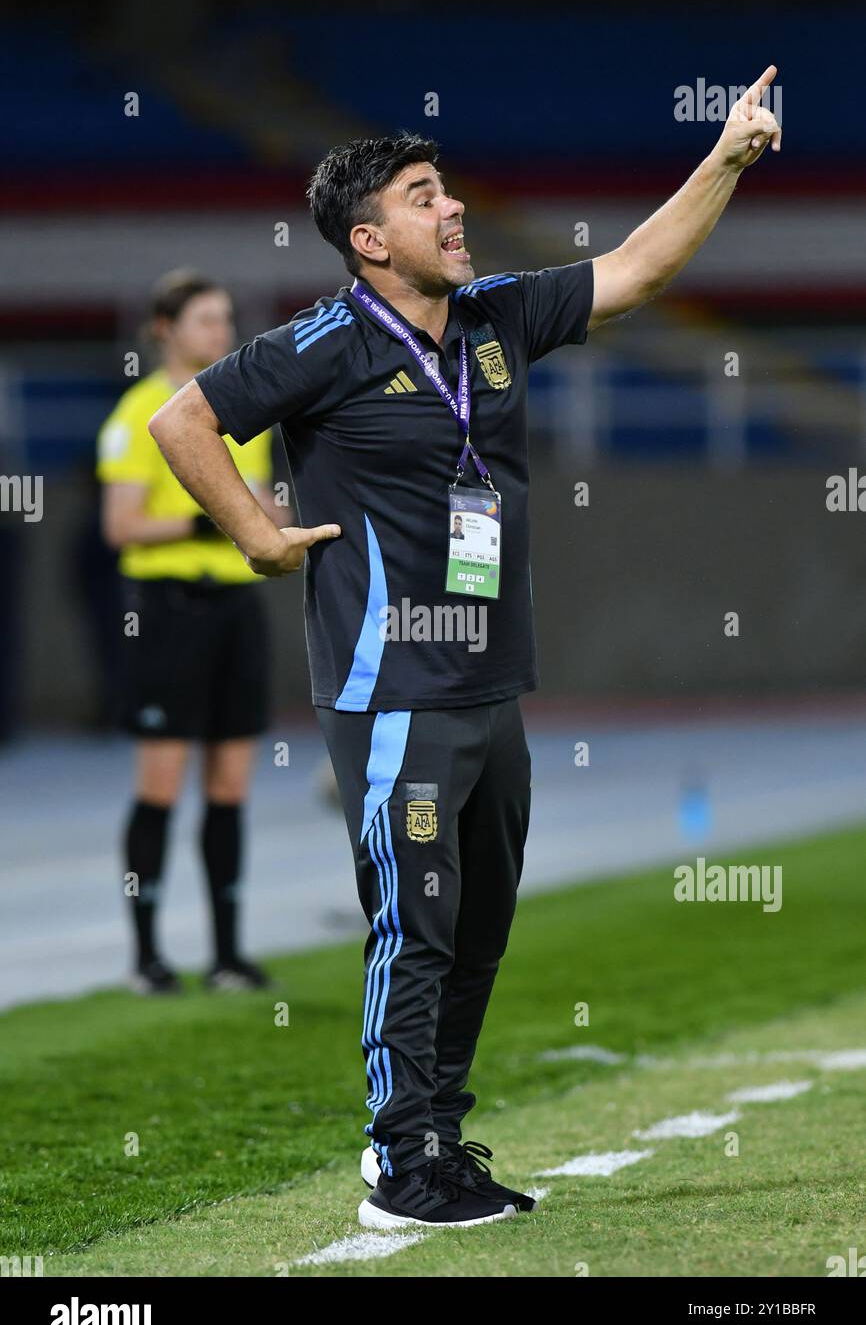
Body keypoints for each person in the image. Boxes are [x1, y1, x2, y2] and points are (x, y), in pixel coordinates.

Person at [147, 69, 781, 1226]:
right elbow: (179, 419)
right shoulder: (323, 342)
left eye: (445, 192)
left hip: (489, 686)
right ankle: (397, 1165)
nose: (452, 211)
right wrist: (255, 535)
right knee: (417, 922)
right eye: (423, 195)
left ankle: (440, 1135)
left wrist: (726, 157)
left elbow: (635, 269)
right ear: (367, 238)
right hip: (395, 692)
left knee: (478, 924)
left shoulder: (495, 316)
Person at [97, 269, 278, 995]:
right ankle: (146, 956)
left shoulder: (244, 410)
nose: (220, 332)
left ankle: (228, 954)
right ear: (166, 330)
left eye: (225, 318)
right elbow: (119, 526)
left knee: (231, 784)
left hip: (236, 608)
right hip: (167, 609)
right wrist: (207, 521)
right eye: (205, 319)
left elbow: (261, 507)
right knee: (162, 783)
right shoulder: (139, 412)